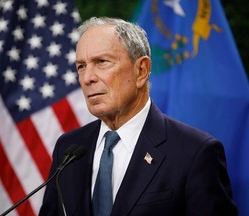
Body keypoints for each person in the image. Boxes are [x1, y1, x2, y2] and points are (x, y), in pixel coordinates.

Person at [39, 17, 237, 216]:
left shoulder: (195, 152)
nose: (87, 78)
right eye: (81, 66)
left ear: (141, 71)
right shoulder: (68, 149)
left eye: (102, 62)